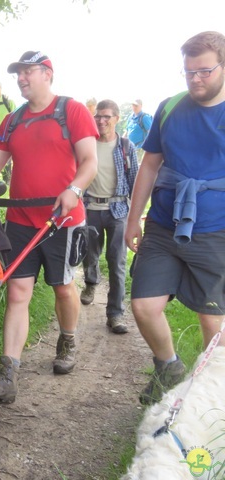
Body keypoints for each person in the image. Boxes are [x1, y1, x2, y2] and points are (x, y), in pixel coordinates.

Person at [0, 51, 98, 404]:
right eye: (18, 74)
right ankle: (7, 375)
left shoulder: (71, 111)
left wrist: (74, 190)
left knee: (62, 287)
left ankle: (68, 338)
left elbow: (89, 162)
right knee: (17, 293)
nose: (21, 79)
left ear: (47, 74)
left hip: (62, 220)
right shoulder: (11, 121)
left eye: (28, 72)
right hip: (20, 221)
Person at [125, 30, 225, 405]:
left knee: (212, 320)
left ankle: (210, 398)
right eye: (189, 72)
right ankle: (169, 368)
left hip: (216, 230)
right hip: (164, 224)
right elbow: (149, 166)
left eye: (204, 72)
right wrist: (134, 219)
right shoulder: (169, 108)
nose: (196, 79)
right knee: (144, 305)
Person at [80, 99, 139, 334]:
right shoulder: (87, 144)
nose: (101, 121)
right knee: (89, 253)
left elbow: (135, 180)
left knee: (117, 262)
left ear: (116, 118)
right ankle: (91, 282)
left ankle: (115, 314)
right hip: (90, 208)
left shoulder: (126, 146)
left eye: (107, 116)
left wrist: (136, 216)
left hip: (118, 211)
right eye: (98, 116)